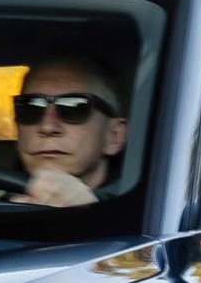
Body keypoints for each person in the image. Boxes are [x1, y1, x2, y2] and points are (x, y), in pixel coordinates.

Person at [11, 55, 129, 207]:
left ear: (115, 136)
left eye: (74, 108)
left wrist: (90, 221)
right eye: (31, 108)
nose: (47, 127)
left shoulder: (151, 217)